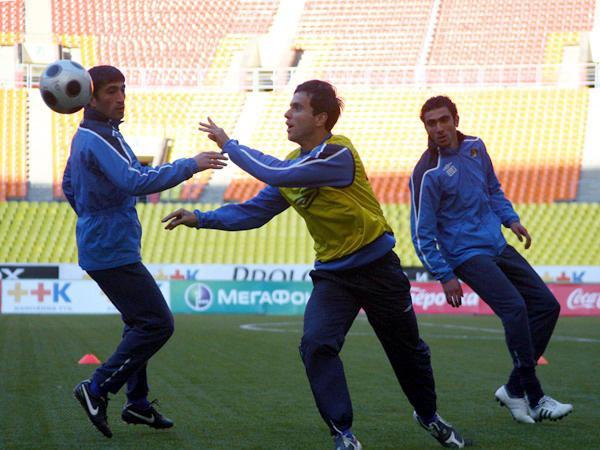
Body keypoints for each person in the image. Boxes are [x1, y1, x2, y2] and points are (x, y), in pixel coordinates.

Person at [162, 80, 470, 449]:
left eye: (297, 108)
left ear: (321, 118)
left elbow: (278, 174)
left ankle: (428, 414)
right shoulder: (294, 163)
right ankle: (343, 433)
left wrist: (230, 145)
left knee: (407, 353)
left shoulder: (339, 154)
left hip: (379, 270)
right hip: (334, 276)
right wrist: (201, 217)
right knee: (315, 344)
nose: (287, 114)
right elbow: (255, 211)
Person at [62, 65, 227, 438]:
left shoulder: (97, 134)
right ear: (90, 97)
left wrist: (93, 216)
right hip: (110, 248)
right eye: (111, 91)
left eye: (123, 89)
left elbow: (69, 184)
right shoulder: (97, 138)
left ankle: (136, 403)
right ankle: (97, 387)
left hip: (107, 242)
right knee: (157, 323)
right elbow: (134, 180)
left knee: (138, 323)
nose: (121, 98)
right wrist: (190, 165)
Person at [409, 95, 573, 425]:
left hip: (496, 244)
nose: (438, 128)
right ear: (425, 128)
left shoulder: (476, 147)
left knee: (546, 306)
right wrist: (444, 274)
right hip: (465, 254)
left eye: (444, 120)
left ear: (456, 120)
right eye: (431, 123)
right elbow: (420, 233)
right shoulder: (427, 173)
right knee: (514, 308)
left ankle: (513, 389)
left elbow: (493, 189)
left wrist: (510, 219)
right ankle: (535, 396)